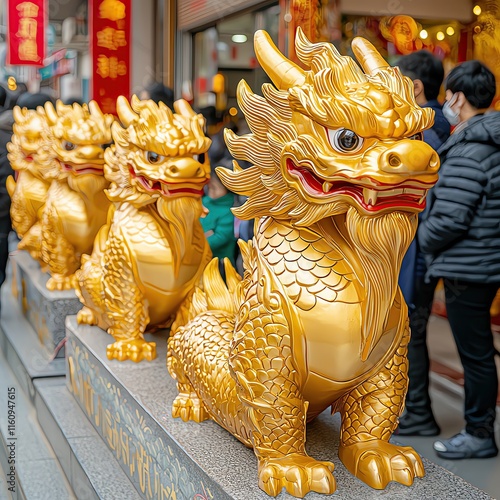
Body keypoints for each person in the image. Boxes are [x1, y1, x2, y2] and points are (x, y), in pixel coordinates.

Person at [417, 61, 500, 459]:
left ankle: (479, 433)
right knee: (480, 349)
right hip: (484, 260)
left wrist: (423, 242)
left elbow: (450, 216)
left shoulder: (471, 147)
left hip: (468, 265)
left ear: (459, 98)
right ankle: (479, 429)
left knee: (475, 352)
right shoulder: (491, 141)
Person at [396, 51, 450, 437]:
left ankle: (418, 413)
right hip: (421, 251)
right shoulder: (437, 126)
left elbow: (421, 206)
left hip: (417, 251)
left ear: (414, 86)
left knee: (410, 330)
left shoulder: (426, 131)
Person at [201, 165, 237, 269]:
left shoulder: (229, 211)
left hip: (218, 263)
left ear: (229, 189)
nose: (211, 191)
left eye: (215, 189)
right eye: (210, 187)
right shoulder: (206, 201)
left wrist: (197, 244)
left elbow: (220, 237)